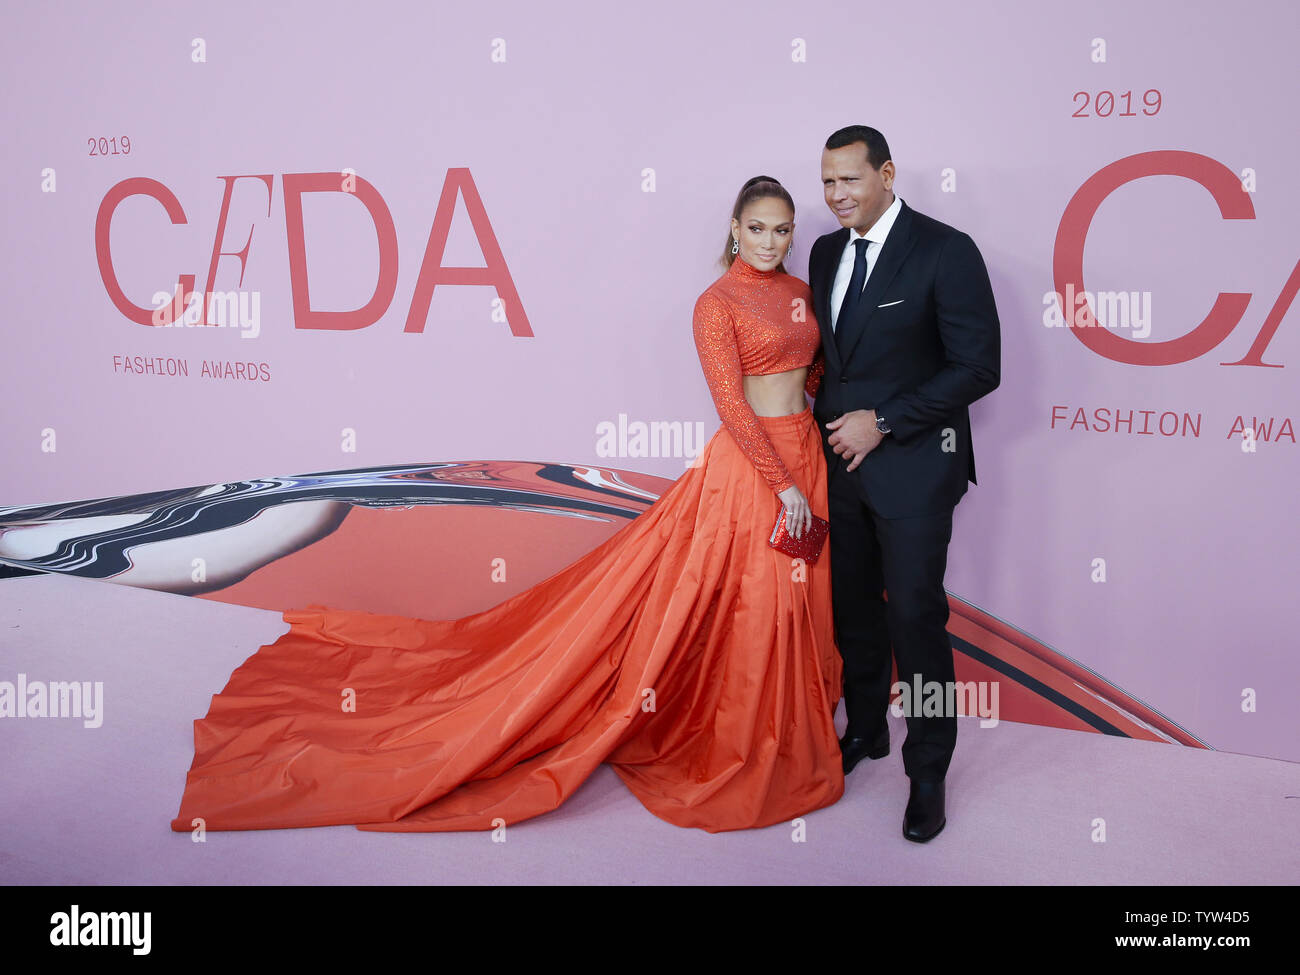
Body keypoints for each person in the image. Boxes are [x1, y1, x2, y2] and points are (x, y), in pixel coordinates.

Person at [169, 176, 845, 835]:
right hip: (755, 470)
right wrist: (781, 483)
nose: (769, 240)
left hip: (806, 456)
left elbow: (813, 371)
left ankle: (791, 733)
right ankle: (745, 746)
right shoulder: (715, 302)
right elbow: (730, 403)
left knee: (799, 599)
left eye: (781, 229)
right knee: (756, 603)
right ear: (734, 228)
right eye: (756, 227)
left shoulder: (799, 293)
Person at [808, 125, 1001, 842]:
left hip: (917, 464)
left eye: (849, 180)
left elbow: (978, 367)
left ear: (887, 174)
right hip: (840, 468)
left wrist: (881, 420)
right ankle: (865, 731)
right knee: (852, 608)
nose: (836, 196)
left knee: (914, 617)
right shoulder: (827, 251)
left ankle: (927, 769)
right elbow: (838, 358)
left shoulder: (947, 250)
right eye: (827, 182)